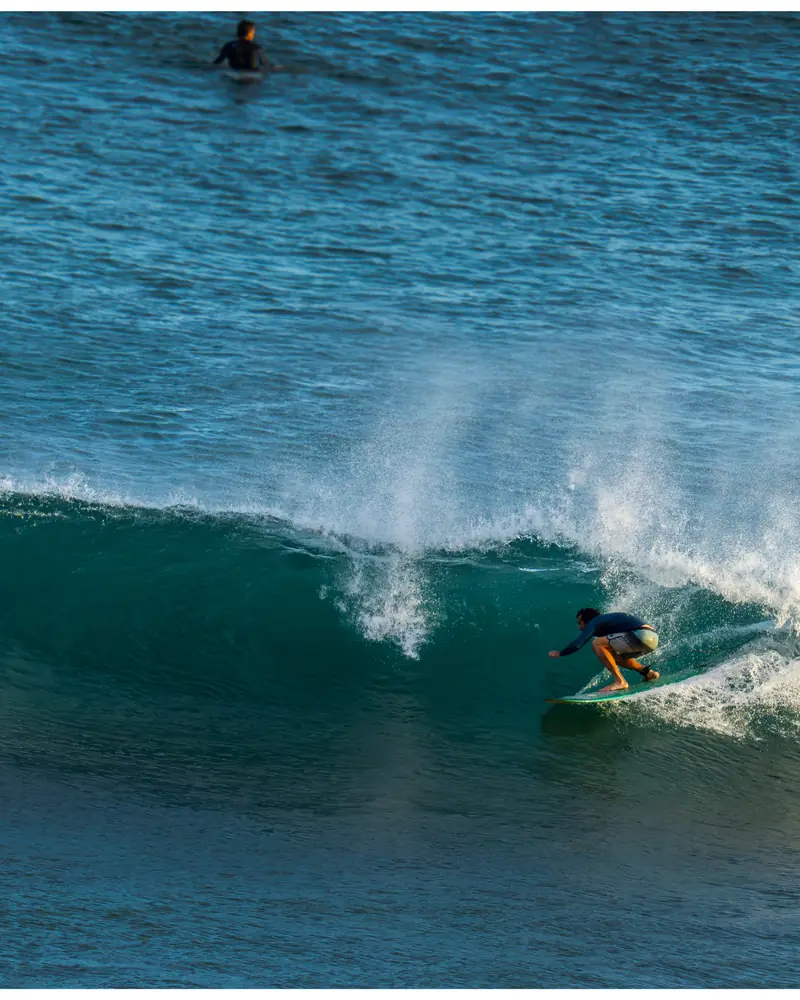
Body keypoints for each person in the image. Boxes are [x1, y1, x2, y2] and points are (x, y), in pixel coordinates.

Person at [548, 608, 660, 693]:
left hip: (640, 634)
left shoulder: (594, 622)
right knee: (614, 656)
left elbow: (578, 644)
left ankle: (619, 681)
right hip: (652, 639)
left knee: (596, 643)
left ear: (587, 620)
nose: (580, 627)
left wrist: (560, 653)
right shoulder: (606, 622)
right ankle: (648, 673)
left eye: (580, 622)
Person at [213, 20, 279, 73]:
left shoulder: (229, 45)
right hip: (252, 76)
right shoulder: (256, 47)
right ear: (249, 33)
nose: (253, 35)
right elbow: (266, 64)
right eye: (253, 33)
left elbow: (217, 62)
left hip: (234, 73)